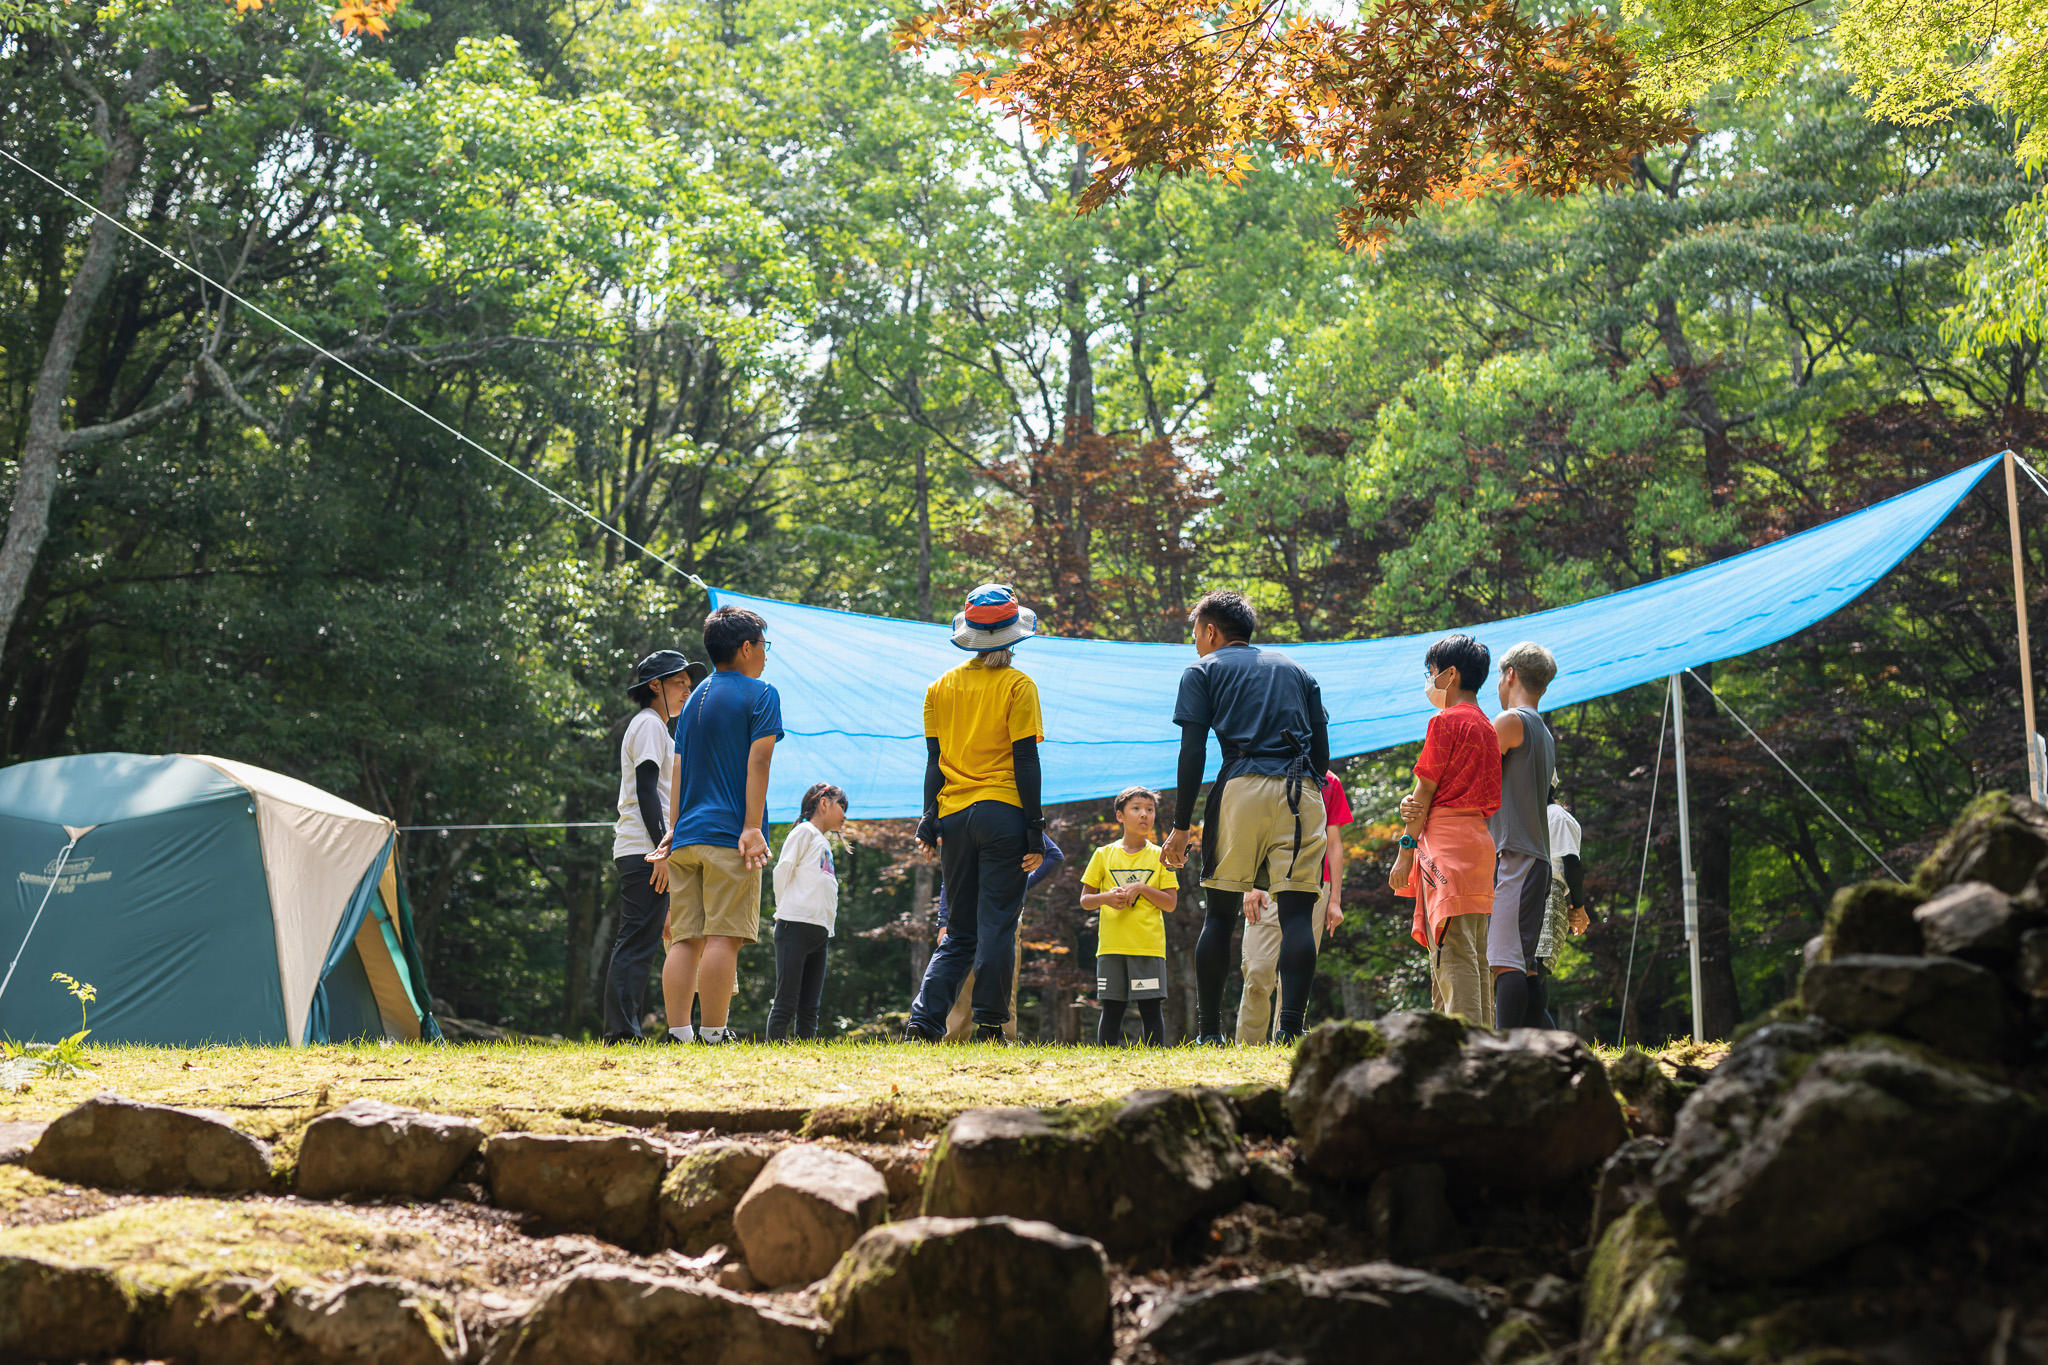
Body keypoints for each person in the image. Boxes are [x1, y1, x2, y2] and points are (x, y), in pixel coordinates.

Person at [1161, 590, 1330, 1045]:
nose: (1195, 643)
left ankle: (1209, 1034)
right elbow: (1322, 751)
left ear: (1211, 631)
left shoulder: (1202, 670)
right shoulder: (1298, 670)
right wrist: (1307, 786)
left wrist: (1180, 827)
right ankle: (1291, 1030)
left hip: (1242, 785)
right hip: (1303, 791)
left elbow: (1192, 751)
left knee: (1219, 916)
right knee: (1296, 915)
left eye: (1195, 633)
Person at [905, 584, 1046, 1044]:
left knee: (960, 932)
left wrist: (929, 817)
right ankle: (989, 1024)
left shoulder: (939, 688)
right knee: (997, 925)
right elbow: (1025, 762)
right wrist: (1035, 828)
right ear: (1013, 636)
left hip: (955, 817)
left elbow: (934, 762)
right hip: (1003, 813)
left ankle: (923, 1024)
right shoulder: (1018, 685)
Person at [649, 605, 783, 1045]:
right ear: (746, 648)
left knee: (686, 937)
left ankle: (679, 1034)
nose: (766, 654)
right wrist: (751, 826)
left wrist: (672, 829)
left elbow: (679, 769)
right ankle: (713, 1034)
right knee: (726, 936)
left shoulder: (693, 700)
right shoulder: (761, 694)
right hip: (731, 837)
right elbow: (759, 760)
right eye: (764, 645)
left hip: (686, 837)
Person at [1391, 634, 1501, 1027]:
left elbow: (1423, 798)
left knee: (1453, 954)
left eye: (1432, 673)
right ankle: (1474, 1043)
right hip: (1479, 847)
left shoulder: (1444, 722)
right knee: (1475, 952)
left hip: (1445, 851)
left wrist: (1405, 852)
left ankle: (1469, 1051)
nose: (1429, 681)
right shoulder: (1489, 728)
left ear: (1451, 675)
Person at [602, 649, 705, 1042]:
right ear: (654, 685)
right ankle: (620, 1033)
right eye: (679, 683)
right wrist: (662, 851)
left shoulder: (658, 728)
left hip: (645, 847)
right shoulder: (647, 724)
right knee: (636, 942)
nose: (686, 691)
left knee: (642, 941)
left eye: (688, 684)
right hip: (643, 849)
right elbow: (647, 790)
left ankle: (625, 1028)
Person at [1237, 770, 1350, 1044]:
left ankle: (1284, 1042)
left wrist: (1334, 900)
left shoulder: (1329, 782)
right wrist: (1252, 884)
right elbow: (1254, 833)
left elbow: (1333, 844)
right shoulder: (1265, 770)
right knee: (1257, 970)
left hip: (1314, 886)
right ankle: (1246, 1048)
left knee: (1295, 977)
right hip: (1265, 884)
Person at [1485, 641, 1558, 1029]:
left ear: (1510, 674)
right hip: (1535, 857)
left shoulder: (1510, 721)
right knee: (1524, 968)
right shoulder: (1543, 732)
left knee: (1504, 960)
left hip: (1516, 856)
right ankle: (1556, 1052)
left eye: (1499, 676)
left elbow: (1477, 779)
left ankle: (1502, 1051)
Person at [940, 831, 1064, 1042]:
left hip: (1005, 917)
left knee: (1003, 984)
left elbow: (1053, 855)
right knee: (960, 984)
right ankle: (953, 1042)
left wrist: (1016, 887)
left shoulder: (1019, 818)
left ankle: (1004, 1040)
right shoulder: (965, 817)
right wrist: (943, 921)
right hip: (965, 916)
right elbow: (950, 876)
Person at [1081, 787, 1179, 1046]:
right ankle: (1105, 1060)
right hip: (1111, 947)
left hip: (1147, 947)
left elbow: (1170, 904)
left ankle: (1154, 1060)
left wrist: (1142, 888)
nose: (1144, 814)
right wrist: (1105, 898)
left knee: (1150, 1008)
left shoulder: (1162, 856)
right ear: (1120, 816)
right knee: (1111, 1007)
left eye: (1150, 809)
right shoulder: (1103, 854)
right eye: (1136, 808)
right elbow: (1085, 900)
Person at [767, 782, 847, 1042]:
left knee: (811, 1004)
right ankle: (775, 1047)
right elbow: (782, 870)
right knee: (787, 999)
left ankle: (806, 1049)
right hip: (795, 924)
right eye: (842, 807)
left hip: (819, 929)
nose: (845, 815)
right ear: (824, 803)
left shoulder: (823, 841)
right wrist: (782, 908)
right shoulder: (804, 832)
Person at [1532, 786, 1591, 1028]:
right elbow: (1572, 863)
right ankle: (1543, 1041)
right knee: (1534, 975)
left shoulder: (1554, 815)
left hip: (1547, 893)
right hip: (1539, 893)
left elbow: (1571, 863)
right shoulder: (1538, 815)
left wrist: (1579, 907)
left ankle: (1543, 1042)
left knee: (1534, 975)